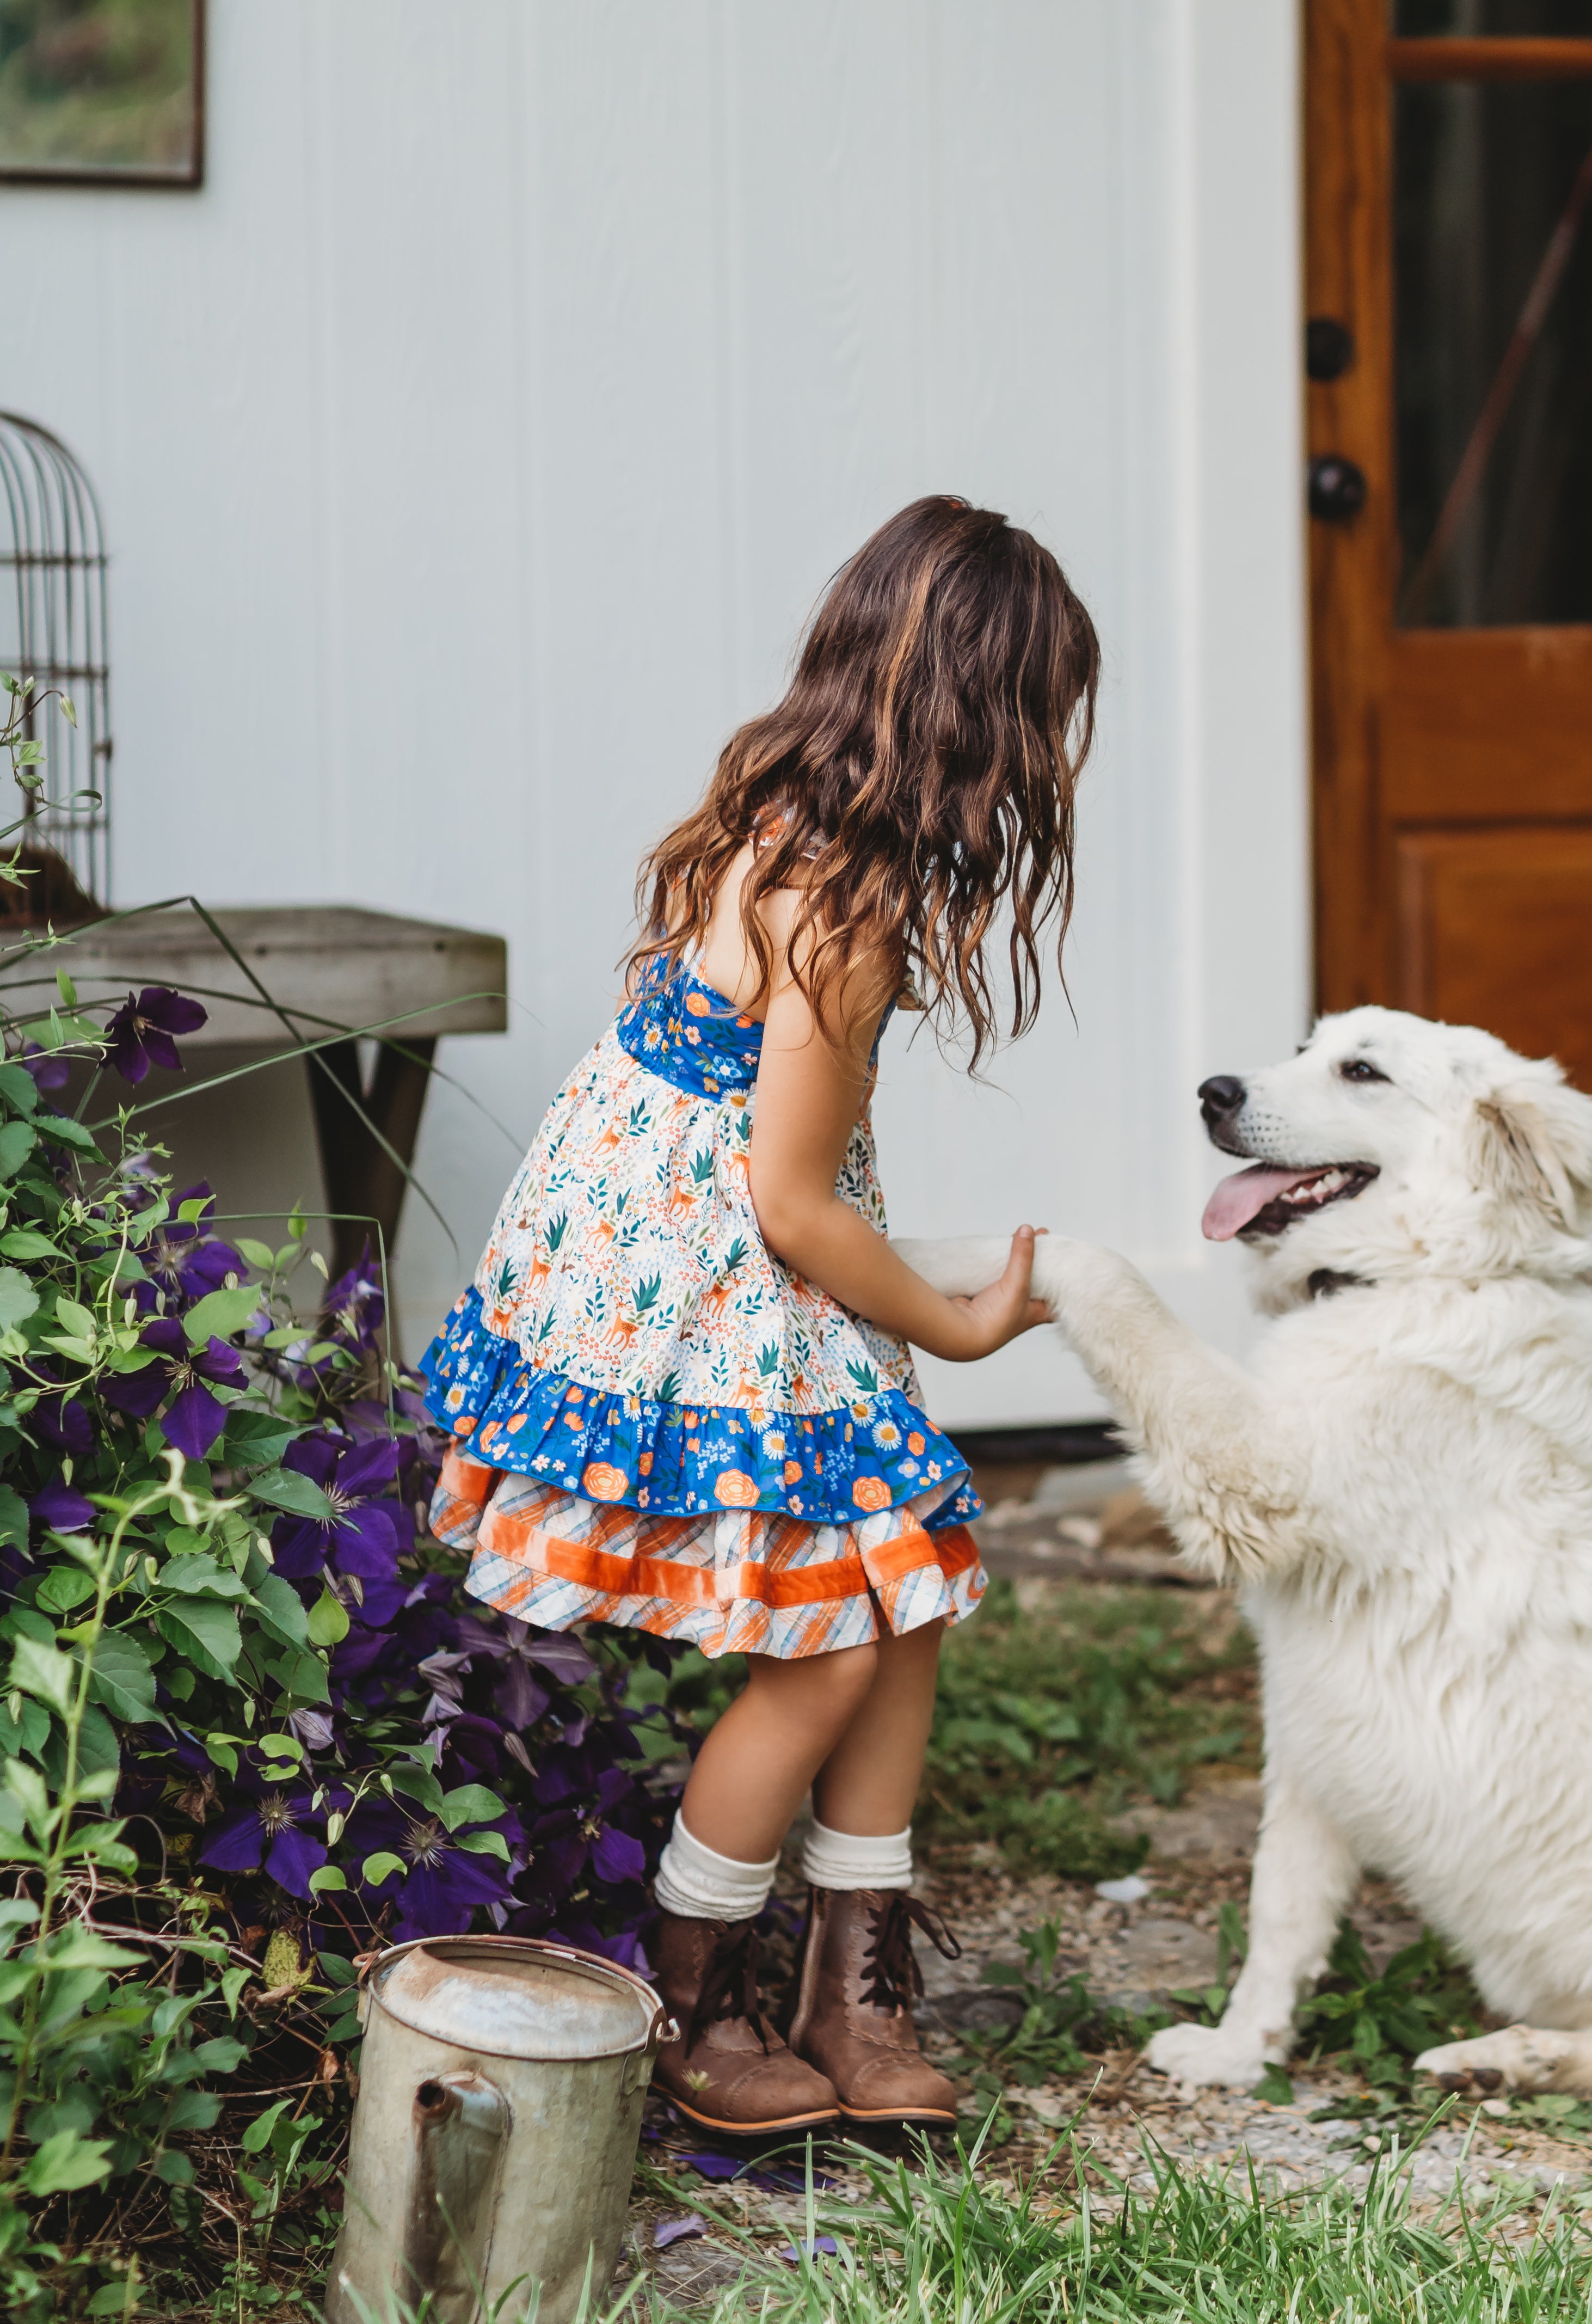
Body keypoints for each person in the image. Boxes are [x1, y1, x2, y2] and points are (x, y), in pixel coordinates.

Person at [420, 497, 1098, 2140]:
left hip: (661, 1256)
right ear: (983, 723)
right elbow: (796, 1203)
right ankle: (697, 1996)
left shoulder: (771, 812)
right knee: (829, 1642)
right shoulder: (844, 907)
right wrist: (951, 1320)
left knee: (905, 1576)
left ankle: (846, 1989)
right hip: (699, 1289)